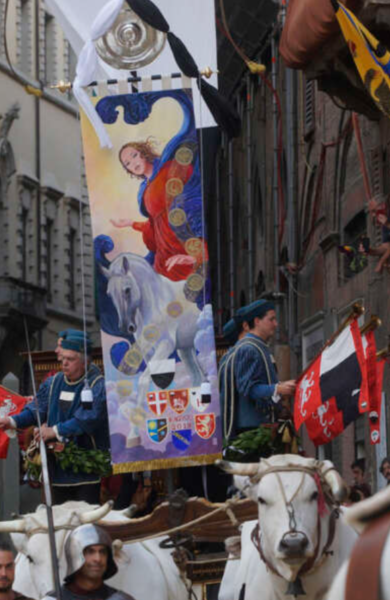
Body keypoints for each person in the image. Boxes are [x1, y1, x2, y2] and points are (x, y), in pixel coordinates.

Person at [0, 331, 107, 505]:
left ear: (85, 361)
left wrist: (53, 431)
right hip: (56, 469)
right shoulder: (53, 382)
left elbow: (87, 419)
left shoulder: (97, 384)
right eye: (63, 360)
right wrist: (12, 421)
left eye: (71, 359)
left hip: (87, 471)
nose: (65, 364)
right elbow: (36, 410)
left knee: (84, 522)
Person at [111, 139, 204, 281]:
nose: (133, 163)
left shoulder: (169, 169)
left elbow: (192, 199)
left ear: (143, 153)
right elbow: (155, 224)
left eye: (134, 155)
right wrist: (132, 223)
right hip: (166, 255)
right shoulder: (144, 190)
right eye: (127, 163)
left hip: (184, 242)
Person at [218, 300, 297, 442]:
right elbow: (248, 388)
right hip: (252, 431)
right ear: (257, 321)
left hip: (258, 428)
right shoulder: (249, 348)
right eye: (271, 319)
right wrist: (278, 389)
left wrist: (280, 388)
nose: (276, 324)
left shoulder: (257, 347)